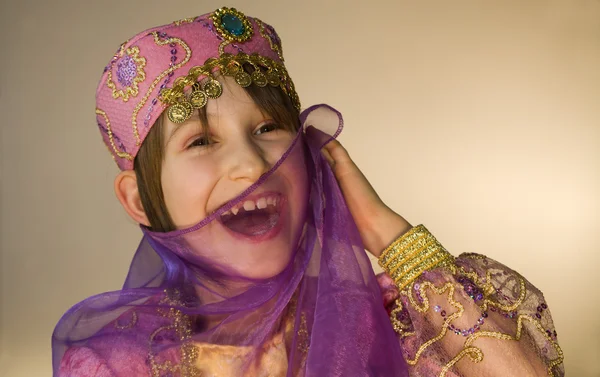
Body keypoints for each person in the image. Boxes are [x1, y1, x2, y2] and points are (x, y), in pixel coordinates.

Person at [52, 7, 564, 377]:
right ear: (139, 199)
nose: (252, 166)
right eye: (202, 141)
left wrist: (390, 235)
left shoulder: (397, 322)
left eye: (269, 129)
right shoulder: (119, 365)